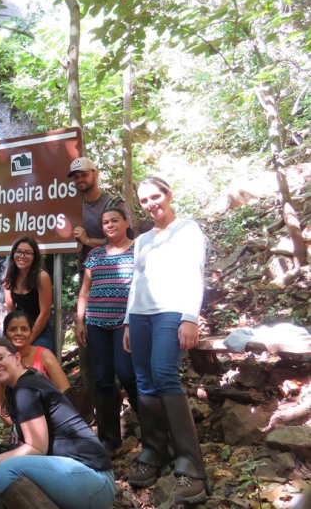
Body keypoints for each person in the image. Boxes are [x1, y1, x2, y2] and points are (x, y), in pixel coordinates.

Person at [123, 176, 208, 504]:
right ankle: (155, 450)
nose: (151, 203)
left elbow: (194, 273)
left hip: (172, 311)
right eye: (144, 200)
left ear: (168, 194)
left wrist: (190, 316)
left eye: (155, 196)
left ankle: (190, 463)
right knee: (144, 381)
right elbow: (135, 281)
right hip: (141, 316)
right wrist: (129, 322)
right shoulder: (142, 240)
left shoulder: (187, 229)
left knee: (164, 375)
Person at [0, 339, 115, 509]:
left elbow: (37, 448)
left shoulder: (26, 390)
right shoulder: (21, 387)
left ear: (17, 358)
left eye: (0, 358)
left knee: (6, 471)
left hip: (94, 480)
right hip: (84, 480)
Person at [76, 204, 138, 455]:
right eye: (105, 223)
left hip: (125, 325)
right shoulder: (95, 255)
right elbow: (85, 290)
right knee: (102, 381)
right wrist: (80, 321)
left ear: (126, 222)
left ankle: (151, 430)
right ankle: (109, 441)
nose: (110, 225)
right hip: (96, 324)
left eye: (114, 220)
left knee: (127, 375)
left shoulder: (138, 251)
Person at [0, 310, 70, 426]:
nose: (19, 333)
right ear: (5, 334)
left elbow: (65, 388)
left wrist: (53, 420)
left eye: (24, 329)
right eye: (13, 329)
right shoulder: (1, 361)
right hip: (18, 421)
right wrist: (16, 425)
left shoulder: (44, 355)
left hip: (51, 418)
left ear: (31, 332)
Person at [68, 156, 131, 272]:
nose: (80, 179)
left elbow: (125, 240)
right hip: (86, 270)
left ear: (95, 174)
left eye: (84, 175)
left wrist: (87, 240)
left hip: (113, 269)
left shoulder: (113, 203)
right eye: (76, 177)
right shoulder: (75, 207)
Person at [2, 236, 55, 351]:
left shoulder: (42, 277)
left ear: (34, 257)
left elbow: (45, 313)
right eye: (19, 252)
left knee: (36, 360)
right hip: (18, 327)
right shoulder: (9, 276)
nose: (22, 256)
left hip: (40, 329)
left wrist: (29, 339)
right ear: (13, 254)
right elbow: (10, 310)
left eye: (27, 253)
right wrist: (11, 335)